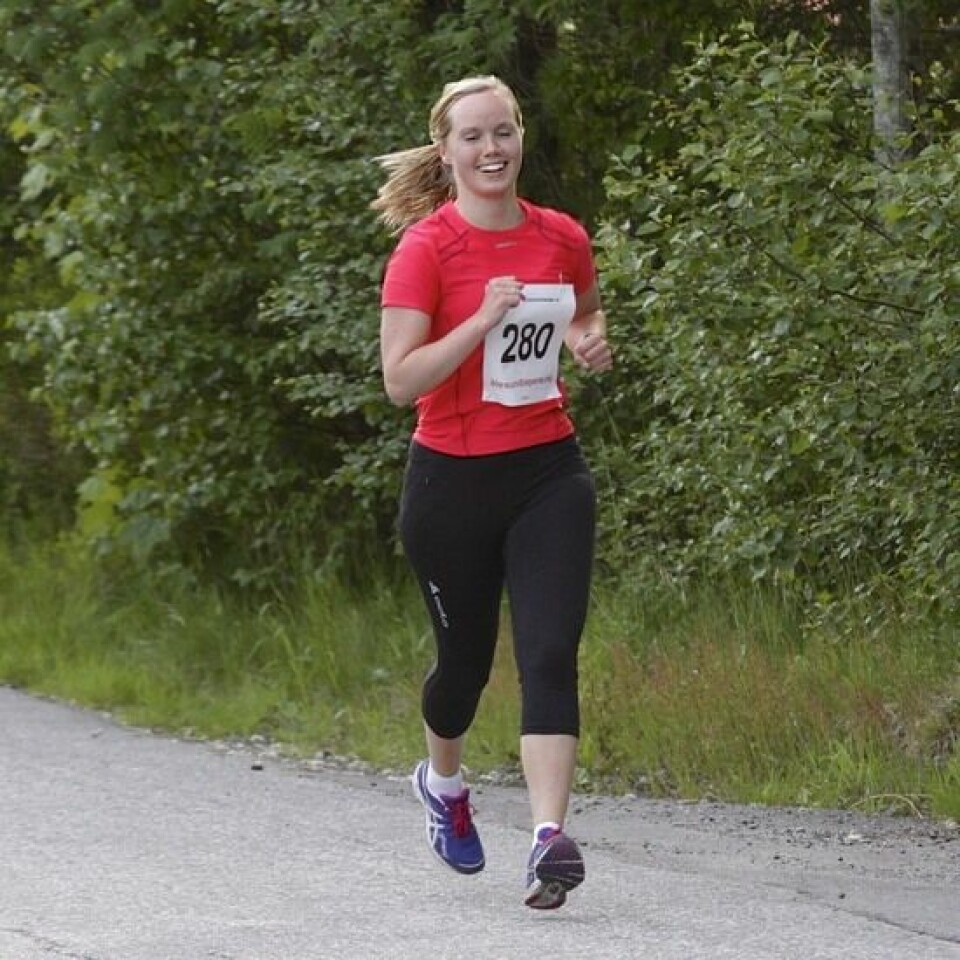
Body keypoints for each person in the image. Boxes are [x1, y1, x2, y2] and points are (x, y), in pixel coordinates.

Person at [372, 75, 613, 910]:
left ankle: (549, 839)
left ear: (520, 138)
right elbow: (401, 381)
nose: (492, 149)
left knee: (549, 652)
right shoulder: (426, 249)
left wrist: (588, 341)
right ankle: (442, 784)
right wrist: (477, 321)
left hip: (549, 470)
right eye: (472, 137)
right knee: (465, 669)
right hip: (451, 483)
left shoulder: (560, 235)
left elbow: (582, 311)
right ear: (446, 152)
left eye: (503, 132)